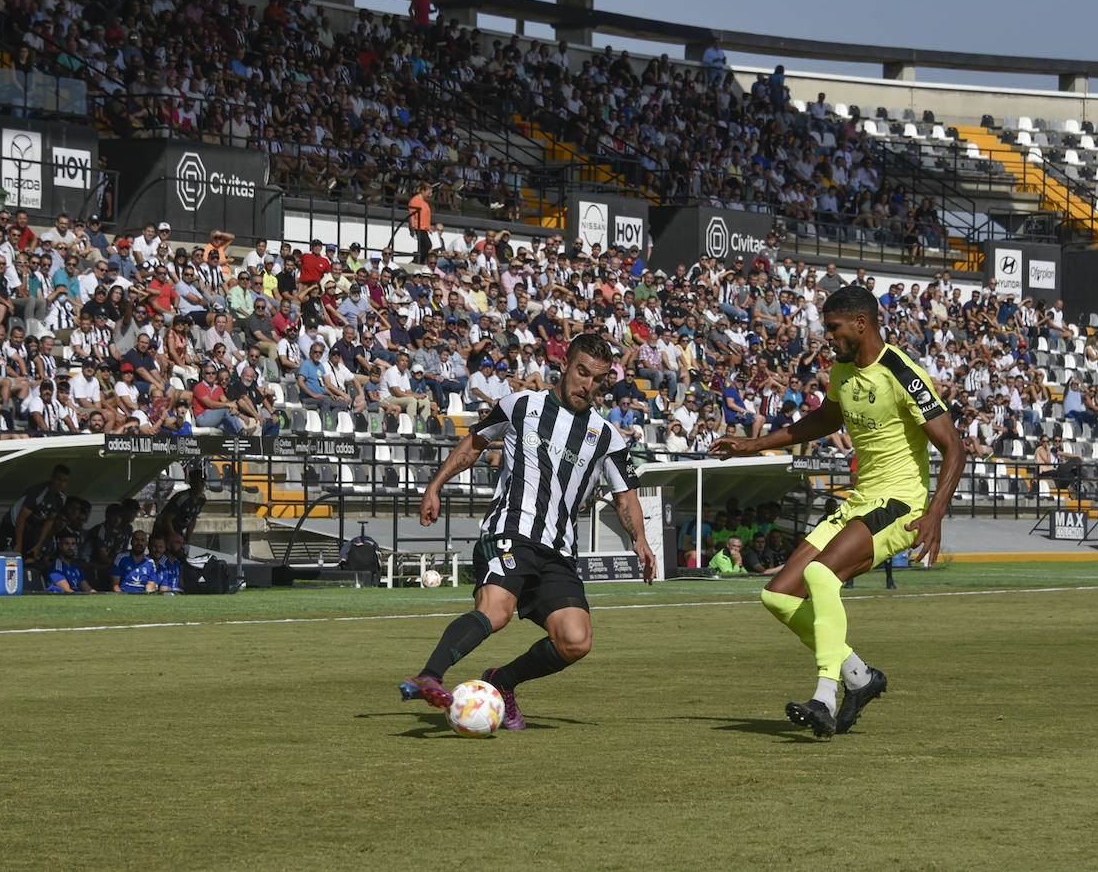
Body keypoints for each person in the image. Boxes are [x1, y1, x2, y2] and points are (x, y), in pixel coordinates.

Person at [710, 286, 963, 739]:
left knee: (822, 577)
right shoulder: (842, 369)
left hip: (900, 503)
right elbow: (825, 421)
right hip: (861, 500)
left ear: (861, 324)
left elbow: (954, 447)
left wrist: (936, 511)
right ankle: (859, 676)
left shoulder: (902, 373)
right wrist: (754, 443)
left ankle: (825, 695)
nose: (827, 336)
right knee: (779, 596)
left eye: (833, 328)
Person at [400, 333, 657, 730]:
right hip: (510, 532)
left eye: (597, 379)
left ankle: (502, 681)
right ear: (565, 365)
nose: (587, 385)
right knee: (496, 611)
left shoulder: (607, 436)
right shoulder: (520, 405)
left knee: (576, 640)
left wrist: (640, 540)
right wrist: (435, 486)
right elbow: (474, 444)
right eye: (581, 372)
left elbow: (626, 496)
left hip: (558, 550)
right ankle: (429, 676)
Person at [2, 463, 71, 570]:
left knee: (31, 555)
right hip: (12, 523)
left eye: (65, 480)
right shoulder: (38, 492)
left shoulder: (62, 498)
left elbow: (50, 521)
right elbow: (21, 518)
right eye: (59, 479)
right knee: (13, 555)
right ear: (52, 478)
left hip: (31, 526)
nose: (61, 483)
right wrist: (18, 544)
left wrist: (39, 544)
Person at [154, 463, 207, 570]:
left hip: (178, 530)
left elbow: (193, 519)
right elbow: (167, 518)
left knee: (180, 556)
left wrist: (188, 539)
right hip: (163, 528)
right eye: (196, 483)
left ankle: (177, 578)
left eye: (202, 483)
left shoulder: (202, 499)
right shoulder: (182, 498)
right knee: (160, 554)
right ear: (191, 483)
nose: (199, 486)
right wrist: (172, 535)